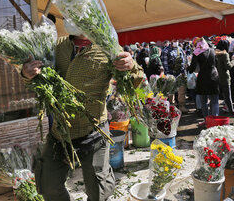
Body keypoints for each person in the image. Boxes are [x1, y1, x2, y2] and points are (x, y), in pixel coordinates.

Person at [21, 26, 144, 201]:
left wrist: (131, 66)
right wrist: (26, 74)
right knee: (48, 186)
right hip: (60, 131)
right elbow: (36, 77)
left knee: (98, 192)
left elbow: (134, 82)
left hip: (94, 131)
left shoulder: (107, 46)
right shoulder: (57, 45)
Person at [188, 38, 219, 119]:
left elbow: (192, 68)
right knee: (215, 101)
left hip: (203, 77)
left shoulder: (197, 52)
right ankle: (215, 120)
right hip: (214, 76)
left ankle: (207, 120)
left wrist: (188, 68)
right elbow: (217, 63)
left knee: (203, 101)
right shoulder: (212, 50)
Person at [215, 39, 234, 116]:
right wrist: (233, 60)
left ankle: (227, 109)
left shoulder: (216, 54)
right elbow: (228, 66)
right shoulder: (225, 54)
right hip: (225, 78)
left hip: (218, 77)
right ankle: (232, 111)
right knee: (228, 96)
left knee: (222, 96)